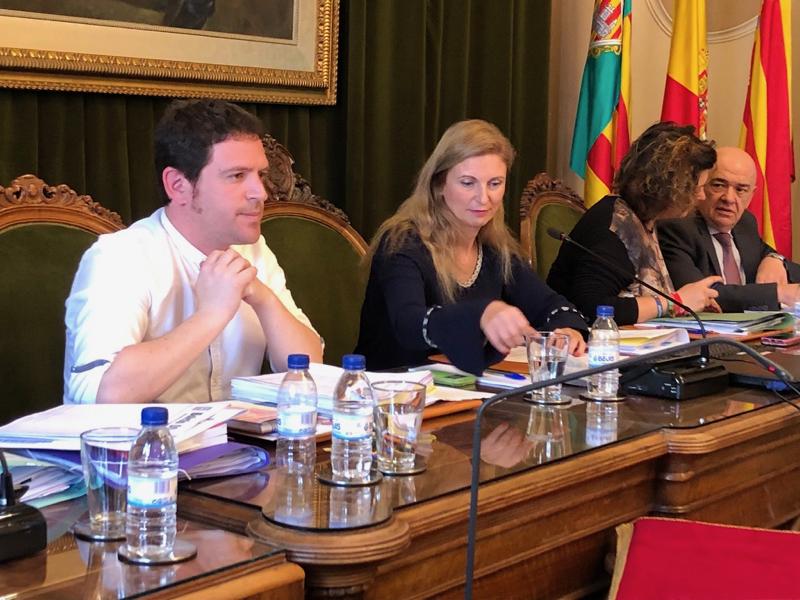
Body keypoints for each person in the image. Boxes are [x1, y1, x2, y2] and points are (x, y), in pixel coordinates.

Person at [64, 99, 322, 404]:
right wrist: (211, 315)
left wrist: (264, 299)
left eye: (260, 175)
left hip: (234, 434)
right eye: (237, 176)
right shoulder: (119, 258)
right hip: (145, 436)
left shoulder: (253, 251)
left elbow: (310, 369)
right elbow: (100, 393)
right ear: (178, 185)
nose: (260, 193)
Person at [355, 119, 587, 375]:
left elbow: (549, 304)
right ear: (439, 184)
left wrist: (567, 330)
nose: (483, 198)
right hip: (392, 389)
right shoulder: (402, 242)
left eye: (495, 183)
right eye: (468, 183)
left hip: (467, 390)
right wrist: (482, 314)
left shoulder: (495, 248)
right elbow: (409, 324)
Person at [547, 122, 722, 326]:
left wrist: (689, 304)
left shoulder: (646, 219)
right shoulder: (613, 227)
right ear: (669, 187)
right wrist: (675, 303)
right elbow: (592, 308)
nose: (701, 197)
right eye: (697, 188)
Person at [658, 146, 800, 312]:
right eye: (719, 185)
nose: (729, 198)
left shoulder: (745, 223)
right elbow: (703, 296)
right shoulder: (677, 227)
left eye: (740, 189)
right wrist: (778, 293)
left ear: (751, 195)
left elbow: (768, 253)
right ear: (701, 186)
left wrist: (775, 259)